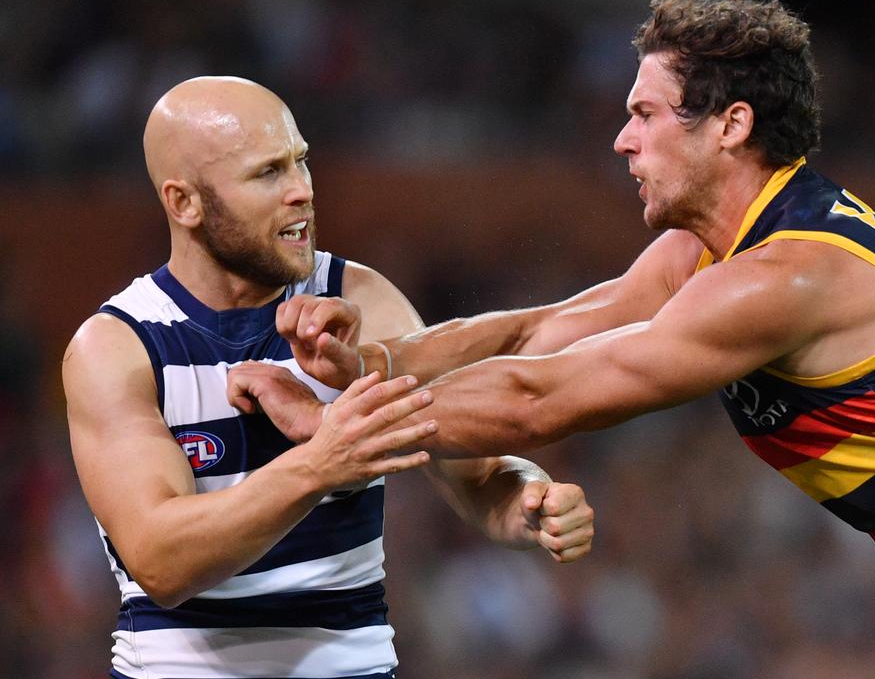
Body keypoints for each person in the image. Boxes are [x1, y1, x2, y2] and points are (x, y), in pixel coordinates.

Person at [241, 0, 875, 678]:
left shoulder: (786, 278)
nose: (621, 140)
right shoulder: (713, 252)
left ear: (731, 125)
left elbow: (544, 400)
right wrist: (365, 359)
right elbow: (542, 333)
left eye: (646, 115)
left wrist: (341, 424)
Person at [61, 76, 595, 679]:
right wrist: (321, 463)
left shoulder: (362, 302)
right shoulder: (118, 346)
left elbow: (476, 479)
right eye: (268, 174)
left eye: (301, 162)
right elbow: (162, 563)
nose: (301, 193)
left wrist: (528, 502)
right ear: (184, 203)